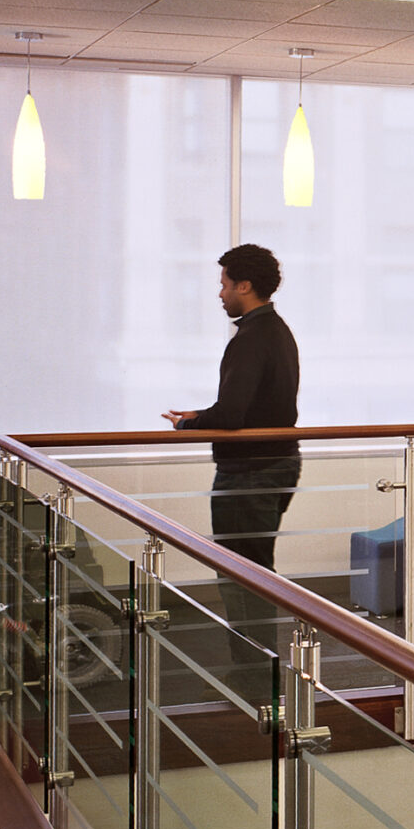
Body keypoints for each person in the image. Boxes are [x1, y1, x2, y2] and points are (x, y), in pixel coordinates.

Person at [164, 244, 300, 682]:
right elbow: (252, 407)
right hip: (276, 464)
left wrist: (189, 426)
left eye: (224, 285)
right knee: (255, 568)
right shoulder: (276, 331)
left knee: (241, 575)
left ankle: (256, 676)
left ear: (245, 286)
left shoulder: (251, 338)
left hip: (249, 472)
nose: (219, 294)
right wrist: (201, 416)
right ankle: (261, 670)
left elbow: (234, 415)